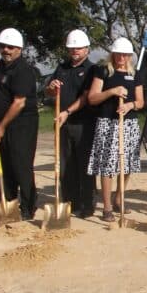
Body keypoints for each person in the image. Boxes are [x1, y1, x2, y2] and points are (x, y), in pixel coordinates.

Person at [0, 28, 39, 220]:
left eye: (10, 47)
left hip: (20, 125)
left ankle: (28, 207)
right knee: (1, 163)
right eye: (2, 46)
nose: (6, 50)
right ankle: (4, 201)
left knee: (20, 164)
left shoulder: (23, 70)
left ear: (19, 49)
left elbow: (19, 102)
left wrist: (2, 127)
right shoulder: (1, 66)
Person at [87, 37, 144, 222]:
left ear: (130, 56)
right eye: (119, 53)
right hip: (107, 122)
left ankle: (119, 197)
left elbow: (141, 102)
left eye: (126, 54)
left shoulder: (135, 74)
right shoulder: (103, 71)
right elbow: (92, 98)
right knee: (108, 165)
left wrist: (130, 106)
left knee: (126, 164)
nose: (122, 57)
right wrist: (112, 92)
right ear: (113, 54)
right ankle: (107, 207)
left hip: (128, 124)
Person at [45, 29, 97, 218]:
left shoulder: (92, 69)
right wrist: (51, 89)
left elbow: (85, 97)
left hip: (83, 124)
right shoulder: (62, 68)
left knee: (84, 165)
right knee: (66, 165)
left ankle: (87, 204)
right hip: (63, 124)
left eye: (79, 48)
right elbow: (50, 91)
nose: (75, 51)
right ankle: (70, 201)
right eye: (72, 48)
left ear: (87, 49)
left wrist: (67, 112)